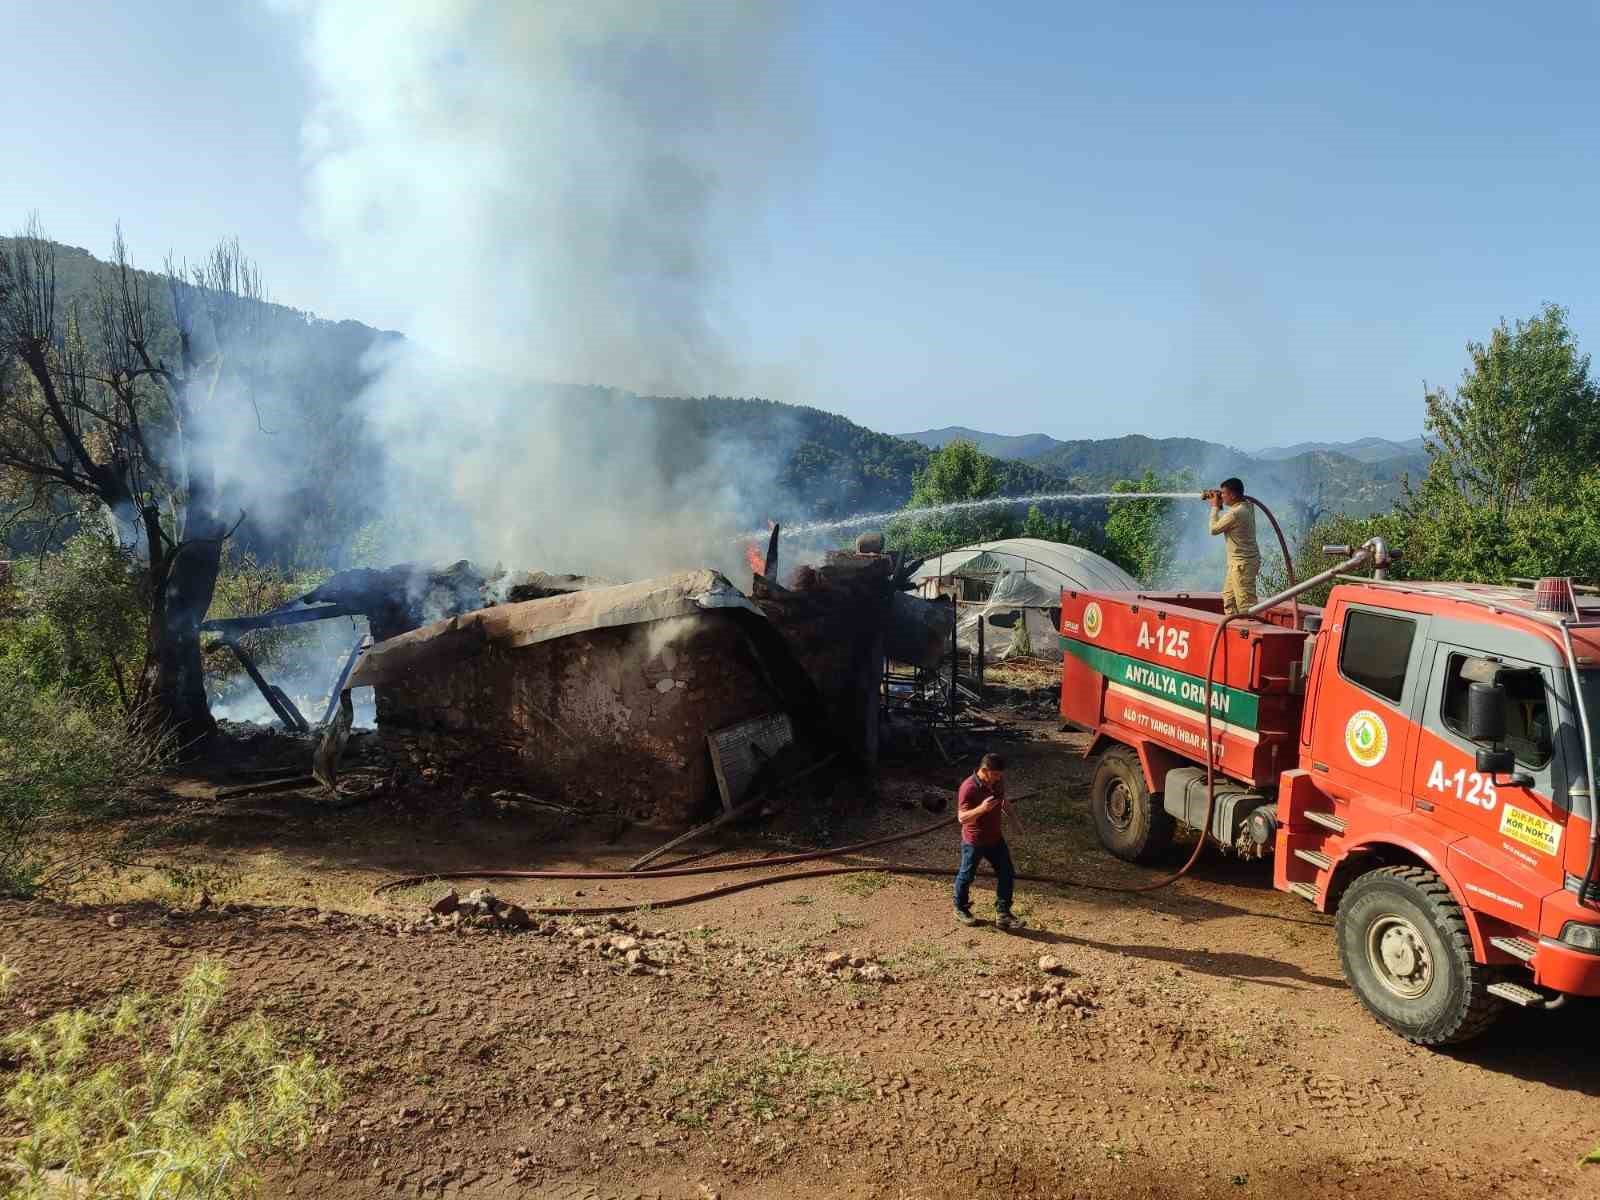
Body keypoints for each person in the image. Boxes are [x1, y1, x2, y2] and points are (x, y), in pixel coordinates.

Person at [953, 753, 1020, 929]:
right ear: (984, 770)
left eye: (1000, 775)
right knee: (967, 875)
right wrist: (982, 809)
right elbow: (962, 818)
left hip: (995, 839)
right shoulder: (968, 788)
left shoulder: (997, 782)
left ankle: (1003, 913)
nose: (998, 778)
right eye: (995, 774)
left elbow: (1003, 801)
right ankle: (960, 907)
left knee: (1007, 872)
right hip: (974, 841)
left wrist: (1014, 821)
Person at [1207, 477, 1260, 616]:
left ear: (1233, 495)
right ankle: (1234, 625)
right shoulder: (1247, 506)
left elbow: (1213, 529)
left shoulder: (1235, 513)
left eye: (1224, 493)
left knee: (1245, 604)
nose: (1221, 496)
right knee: (1229, 598)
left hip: (1242, 565)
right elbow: (1240, 501)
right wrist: (1220, 498)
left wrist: (1215, 507)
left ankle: (1249, 627)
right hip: (1239, 563)